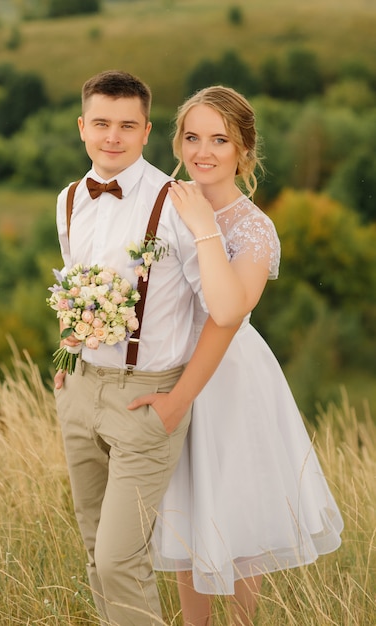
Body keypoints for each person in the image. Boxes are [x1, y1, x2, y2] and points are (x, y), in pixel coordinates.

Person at [129, 86, 344, 625]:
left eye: (219, 139)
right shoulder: (166, 204)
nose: (203, 151)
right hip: (170, 361)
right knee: (185, 510)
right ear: (177, 141)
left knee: (233, 511)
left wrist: (180, 398)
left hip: (227, 379)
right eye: (193, 137)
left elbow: (228, 318)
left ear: (243, 151)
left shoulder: (254, 230)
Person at [52, 70, 238, 626]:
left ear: (147, 131)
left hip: (146, 400)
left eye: (127, 126)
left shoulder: (177, 203)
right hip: (80, 391)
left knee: (119, 559)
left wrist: (177, 400)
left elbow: (221, 310)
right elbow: (76, 284)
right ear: (83, 127)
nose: (113, 136)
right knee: (95, 552)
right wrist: (66, 352)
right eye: (102, 123)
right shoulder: (67, 200)